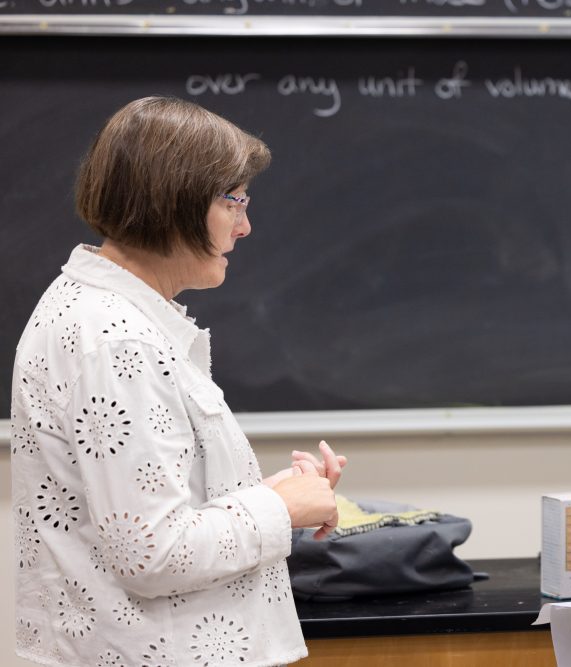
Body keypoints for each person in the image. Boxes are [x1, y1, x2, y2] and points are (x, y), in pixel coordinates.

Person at [11, 96, 345, 667]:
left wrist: (278, 493)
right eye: (235, 201)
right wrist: (278, 509)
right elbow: (151, 555)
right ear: (176, 200)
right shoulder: (119, 341)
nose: (245, 226)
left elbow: (140, 512)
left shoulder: (99, 313)